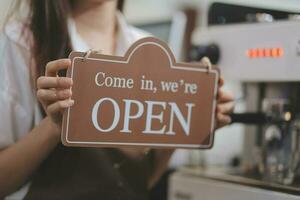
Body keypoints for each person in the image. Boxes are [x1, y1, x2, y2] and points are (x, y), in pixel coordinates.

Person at [0, 0, 234, 199]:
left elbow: (135, 180)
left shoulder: (147, 47)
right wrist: (54, 126)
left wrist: (191, 119)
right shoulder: (22, 42)